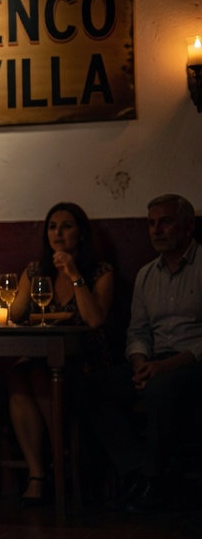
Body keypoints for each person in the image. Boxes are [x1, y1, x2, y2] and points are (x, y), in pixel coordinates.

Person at [88, 194, 201, 513]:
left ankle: (154, 481)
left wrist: (166, 366)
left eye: (165, 222)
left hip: (192, 361)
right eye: (151, 224)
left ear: (188, 226)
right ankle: (137, 472)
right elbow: (137, 330)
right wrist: (140, 362)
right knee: (94, 389)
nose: (156, 230)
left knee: (161, 387)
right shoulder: (146, 274)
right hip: (154, 361)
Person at [4, 202, 114, 506]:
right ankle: (39, 473)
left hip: (87, 361)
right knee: (18, 374)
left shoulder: (100, 271)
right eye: (52, 226)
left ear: (80, 234)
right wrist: (11, 299)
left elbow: (94, 319)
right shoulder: (37, 270)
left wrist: (74, 273)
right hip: (44, 357)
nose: (58, 233)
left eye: (66, 226)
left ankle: (61, 466)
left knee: (40, 372)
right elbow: (16, 315)